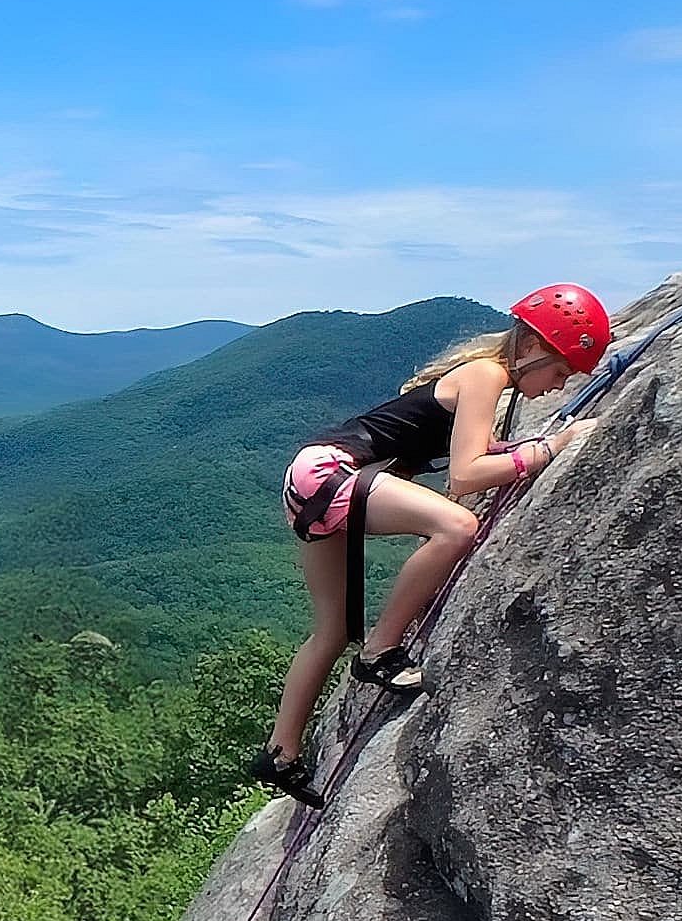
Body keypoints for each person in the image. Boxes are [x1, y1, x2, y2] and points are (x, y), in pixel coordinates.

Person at [250, 284, 612, 808]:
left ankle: (279, 754)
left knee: (330, 631)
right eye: (560, 372)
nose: (558, 387)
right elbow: (466, 476)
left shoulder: (480, 376)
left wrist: (516, 451)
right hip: (333, 474)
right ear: (533, 348)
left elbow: (477, 452)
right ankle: (381, 652)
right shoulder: (489, 375)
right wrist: (551, 448)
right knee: (458, 527)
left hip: (310, 474)